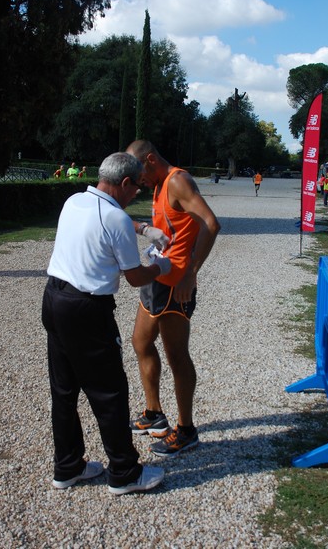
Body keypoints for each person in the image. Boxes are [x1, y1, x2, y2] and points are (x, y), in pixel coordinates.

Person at [42, 152, 172, 494]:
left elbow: (114, 217)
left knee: (64, 389)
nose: (137, 195)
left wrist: (144, 228)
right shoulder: (114, 218)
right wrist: (161, 266)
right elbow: (134, 277)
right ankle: (124, 473)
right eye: (136, 189)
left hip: (53, 298)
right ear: (125, 182)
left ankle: (67, 466)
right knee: (110, 392)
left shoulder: (74, 201)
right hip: (86, 310)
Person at [126, 139, 220, 457]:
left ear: (150, 160)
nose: (139, 182)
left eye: (140, 174)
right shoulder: (159, 182)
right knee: (140, 342)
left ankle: (186, 430)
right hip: (157, 277)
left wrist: (191, 273)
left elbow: (211, 223)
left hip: (175, 285)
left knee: (177, 356)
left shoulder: (178, 181)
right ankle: (155, 415)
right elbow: (173, 226)